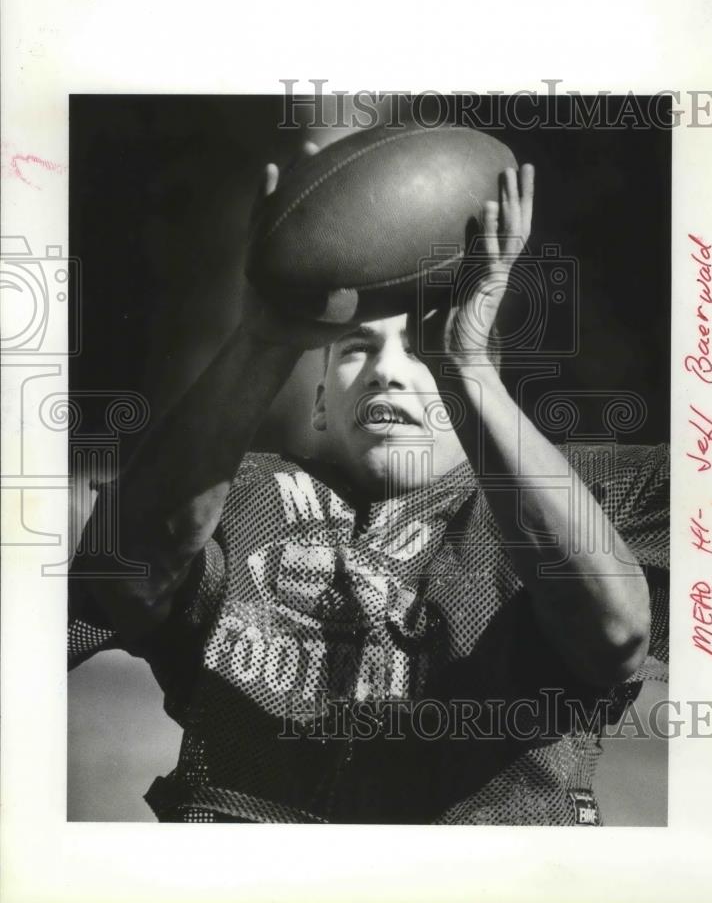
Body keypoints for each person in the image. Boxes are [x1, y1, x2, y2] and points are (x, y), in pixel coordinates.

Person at [68, 143, 669, 824]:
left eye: (418, 351)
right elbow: (127, 581)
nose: (386, 372)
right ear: (320, 400)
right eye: (356, 349)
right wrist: (262, 339)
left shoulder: (588, 495)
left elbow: (614, 638)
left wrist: (465, 364)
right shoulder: (233, 498)